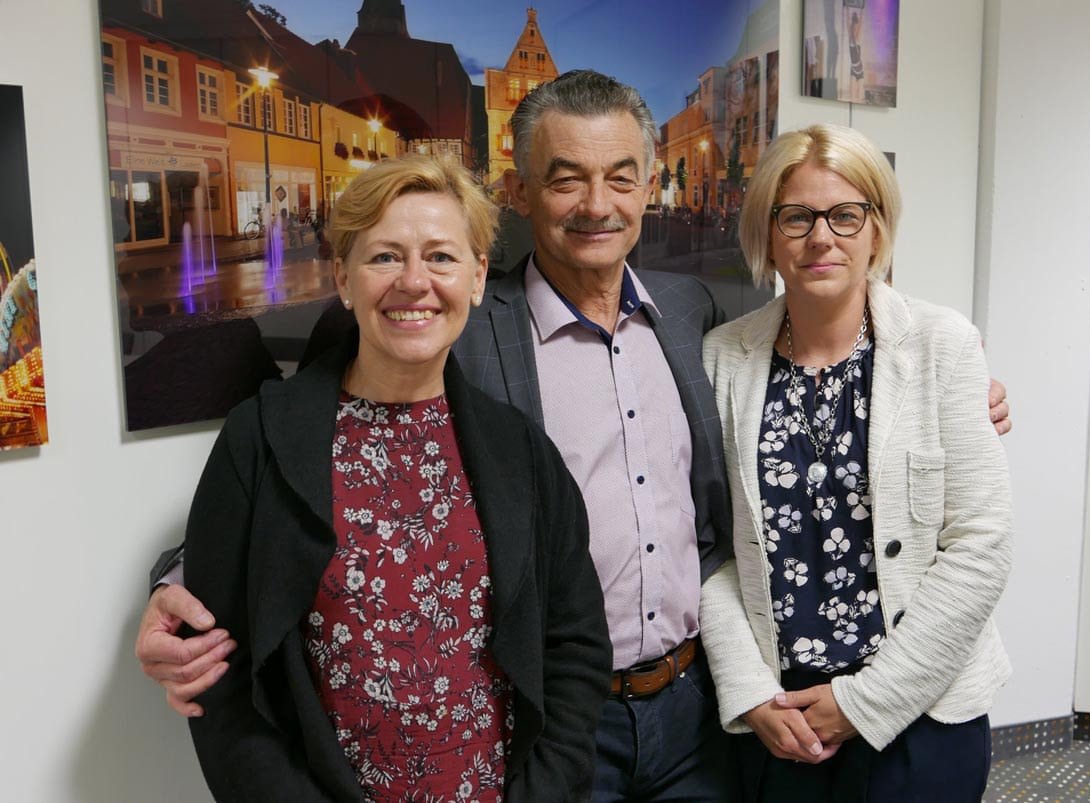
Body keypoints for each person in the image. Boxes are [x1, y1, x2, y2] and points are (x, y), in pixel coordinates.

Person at [135, 72, 1013, 800]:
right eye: (565, 178)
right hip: (556, 719)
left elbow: (821, 359)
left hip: (699, 709)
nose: (597, 205)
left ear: (645, 185)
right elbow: (311, 450)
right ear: (520, 193)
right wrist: (180, 580)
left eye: (621, 176)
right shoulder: (457, 319)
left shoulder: (694, 318)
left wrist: (954, 387)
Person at [179, 154, 611, 801]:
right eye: (384, 257)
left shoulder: (519, 448)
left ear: (475, 277)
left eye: (440, 256)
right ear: (344, 280)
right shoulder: (259, 438)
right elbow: (220, 673)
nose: (414, 281)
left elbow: (574, 644)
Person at [699, 124, 1012, 801]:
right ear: (768, 233)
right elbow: (712, 552)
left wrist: (866, 702)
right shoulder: (722, 359)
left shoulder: (943, 347)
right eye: (797, 217)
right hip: (784, 722)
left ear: (877, 228)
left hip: (922, 716)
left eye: (846, 214)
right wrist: (750, 691)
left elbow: (980, 546)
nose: (822, 237)